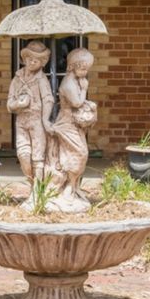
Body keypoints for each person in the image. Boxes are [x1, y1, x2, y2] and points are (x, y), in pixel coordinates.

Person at [47, 47, 98, 208]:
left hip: (74, 123)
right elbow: (76, 102)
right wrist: (84, 89)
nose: (85, 72)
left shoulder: (76, 79)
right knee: (79, 153)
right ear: (73, 66)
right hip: (66, 122)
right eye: (83, 68)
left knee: (77, 153)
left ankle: (72, 186)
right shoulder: (69, 82)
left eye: (86, 69)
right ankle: (68, 187)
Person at [7, 40, 54, 181]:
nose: (32, 62)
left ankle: (38, 191)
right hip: (21, 121)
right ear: (24, 58)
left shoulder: (41, 79)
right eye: (29, 59)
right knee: (23, 154)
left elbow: (48, 99)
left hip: (36, 120)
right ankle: (31, 182)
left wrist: (45, 119)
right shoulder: (17, 78)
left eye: (36, 60)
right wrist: (18, 104)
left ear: (42, 63)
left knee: (37, 157)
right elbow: (9, 103)